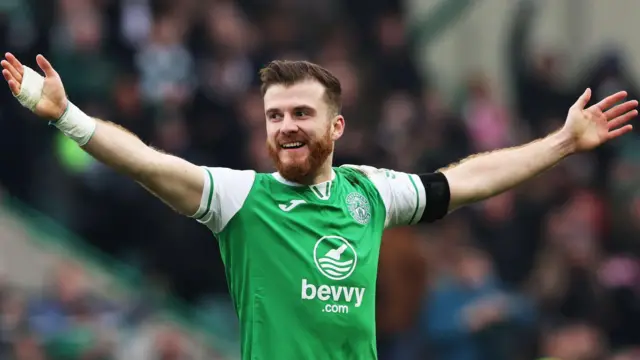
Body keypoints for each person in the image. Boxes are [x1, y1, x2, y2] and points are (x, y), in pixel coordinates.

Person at [1, 53, 636, 360]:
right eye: (275, 115)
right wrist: (71, 118)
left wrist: (560, 143)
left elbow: (466, 181)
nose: (285, 126)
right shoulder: (240, 200)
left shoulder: (369, 193)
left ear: (335, 127)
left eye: (301, 113)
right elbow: (147, 163)